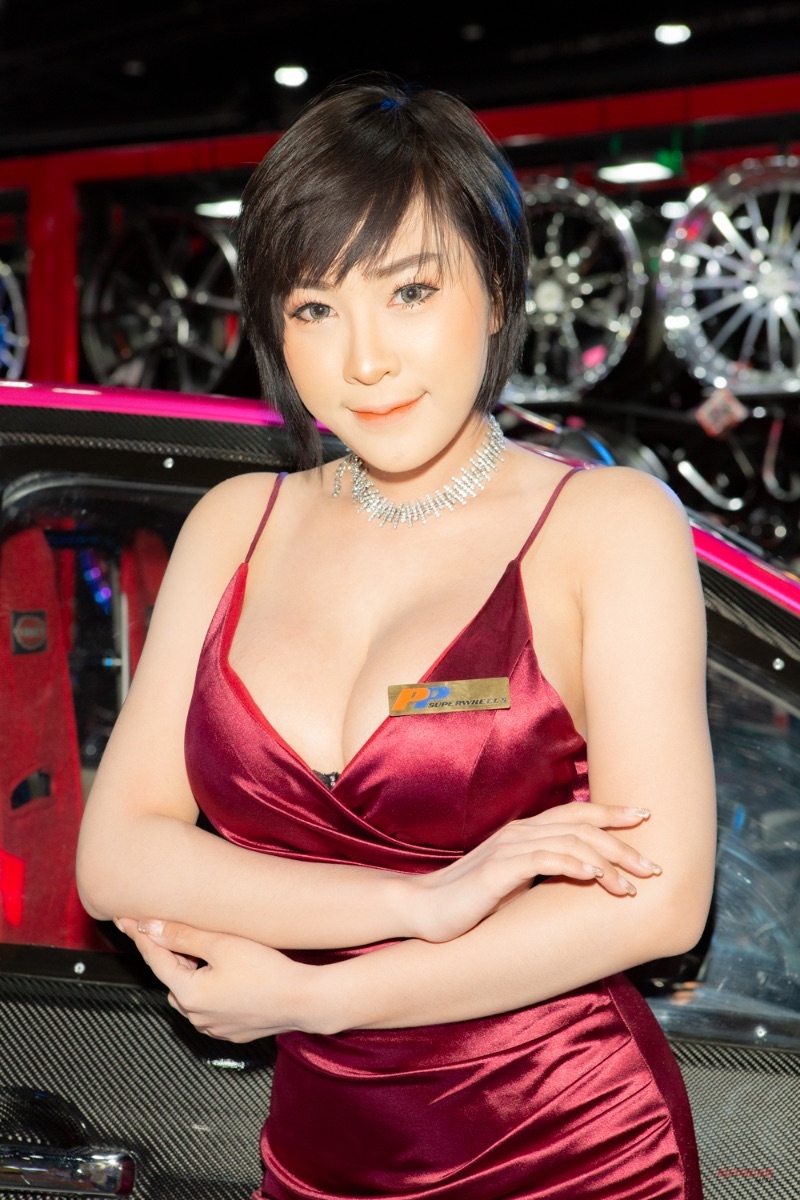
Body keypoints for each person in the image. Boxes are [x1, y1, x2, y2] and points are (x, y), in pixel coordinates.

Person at [76, 76, 716, 1200]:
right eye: (314, 309)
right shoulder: (236, 525)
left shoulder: (606, 528)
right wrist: (417, 903)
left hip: (568, 1148)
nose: (362, 359)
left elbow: (661, 900)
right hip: (318, 1157)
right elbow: (117, 856)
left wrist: (318, 995)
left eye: (410, 291)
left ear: (497, 290)